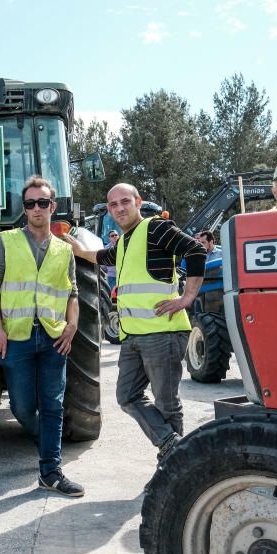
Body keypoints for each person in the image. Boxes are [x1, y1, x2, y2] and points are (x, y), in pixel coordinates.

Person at [64, 183, 205, 461]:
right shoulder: (126, 241)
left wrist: (187, 297)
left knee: (166, 404)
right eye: (113, 205)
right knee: (127, 396)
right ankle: (173, 448)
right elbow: (103, 256)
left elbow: (196, 251)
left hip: (162, 331)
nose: (119, 208)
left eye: (124, 201)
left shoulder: (156, 228)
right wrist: (80, 251)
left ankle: (172, 469)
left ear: (138, 202)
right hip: (133, 337)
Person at [0, 176, 84, 498]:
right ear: (24, 208)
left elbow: (72, 292)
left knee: (53, 404)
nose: (37, 208)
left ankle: (50, 470)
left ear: (53, 206)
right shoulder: (7, 241)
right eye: (30, 203)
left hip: (55, 337)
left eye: (43, 202)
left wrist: (73, 325)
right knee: (23, 408)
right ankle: (48, 445)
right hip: (17, 337)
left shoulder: (63, 250)